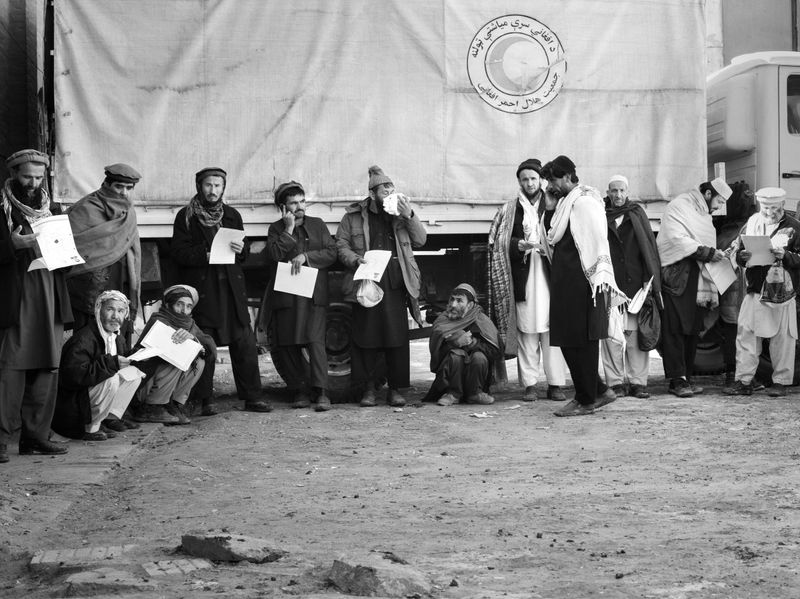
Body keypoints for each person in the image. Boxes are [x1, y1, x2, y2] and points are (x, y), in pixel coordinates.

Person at [170, 167, 271, 413]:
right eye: (208, 185)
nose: (213, 190)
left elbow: (243, 253)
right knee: (205, 346)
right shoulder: (186, 217)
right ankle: (205, 399)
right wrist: (204, 255)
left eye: (217, 186)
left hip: (231, 289)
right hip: (206, 289)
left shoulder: (232, 215)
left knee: (244, 343)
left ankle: (252, 396)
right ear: (199, 187)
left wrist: (240, 249)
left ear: (223, 188)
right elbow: (178, 253)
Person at [0, 149, 71, 462]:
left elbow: (65, 253)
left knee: (48, 364)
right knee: (10, 368)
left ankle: (36, 436)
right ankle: (1, 439)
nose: (32, 182)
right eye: (27, 176)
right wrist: (13, 245)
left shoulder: (51, 208)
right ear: (14, 174)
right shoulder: (1, 207)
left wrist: (67, 253)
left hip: (50, 292)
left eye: (39, 176)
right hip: (17, 295)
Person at [541, 155, 625, 417]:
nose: (550, 185)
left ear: (567, 176)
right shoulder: (565, 204)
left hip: (585, 284)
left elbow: (596, 244)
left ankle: (586, 398)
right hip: (565, 282)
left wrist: (594, 280)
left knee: (583, 341)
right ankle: (597, 390)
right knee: (567, 339)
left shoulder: (585, 202)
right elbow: (551, 238)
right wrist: (551, 207)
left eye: (553, 179)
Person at [336, 165, 426, 407]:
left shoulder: (400, 213)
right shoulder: (353, 217)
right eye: (385, 191)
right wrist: (355, 260)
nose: (390, 195)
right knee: (366, 336)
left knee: (396, 337)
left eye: (392, 190)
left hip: (395, 280)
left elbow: (420, 239)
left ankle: (396, 390)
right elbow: (341, 245)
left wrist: (409, 215)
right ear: (373, 193)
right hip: (367, 278)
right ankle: (368, 390)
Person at [488, 158, 567, 402]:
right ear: (519, 182)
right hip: (522, 279)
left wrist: (550, 246)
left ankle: (556, 384)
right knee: (526, 333)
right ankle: (530, 385)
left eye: (533, 178)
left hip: (550, 279)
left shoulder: (555, 203)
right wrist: (516, 245)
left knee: (553, 334)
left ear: (540, 180)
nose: (530, 183)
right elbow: (495, 242)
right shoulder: (510, 209)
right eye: (525, 179)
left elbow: (568, 235)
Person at [264, 181, 337, 411]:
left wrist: (307, 256)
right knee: (288, 342)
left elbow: (331, 253)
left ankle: (321, 392)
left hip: (314, 293)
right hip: (288, 293)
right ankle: (299, 391)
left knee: (315, 342)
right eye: (293, 203)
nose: (299, 206)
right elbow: (274, 254)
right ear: (283, 207)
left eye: (302, 201)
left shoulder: (318, 225)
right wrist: (288, 230)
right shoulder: (276, 229)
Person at [657, 177, 731, 397]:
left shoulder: (702, 213)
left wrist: (715, 254)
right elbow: (676, 239)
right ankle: (676, 382)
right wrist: (709, 253)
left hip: (697, 280)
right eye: (719, 201)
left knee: (691, 331)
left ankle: (686, 379)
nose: (718, 207)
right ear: (708, 194)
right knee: (675, 330)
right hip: (678, 279)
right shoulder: (680, 205)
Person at [723, 187, 800, 397]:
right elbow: (737, 252)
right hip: (755, 288)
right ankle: (743, 381)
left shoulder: (794, 227)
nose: (770, 212)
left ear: (783, 205)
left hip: (782, 292)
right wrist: (742, 257)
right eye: (766, 207)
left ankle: (781, 383)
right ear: (760, 205)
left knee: (783, 338)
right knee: (746, 334)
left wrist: (786, 255)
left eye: (774, 208)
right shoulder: (752, 223)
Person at [600, 175, 662, 399]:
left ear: (627, 192)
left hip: (636, 284)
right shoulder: (600, 214)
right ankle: (615, 382)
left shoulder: (636, 213)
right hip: (610, 283)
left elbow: (648, 247)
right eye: (614, 191)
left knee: (635, 336)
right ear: (607, 192)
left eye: (622, 191)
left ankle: (638, 382)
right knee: (611, 336)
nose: (618, 195)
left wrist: (648, 278)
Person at [53, 291, 143, 441]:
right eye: (110, 309)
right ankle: (90, 428)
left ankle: (108, 419)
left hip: (89, 397)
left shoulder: (116, 337)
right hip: (73, 405)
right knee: (111, 378)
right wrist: (112, 363)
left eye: (120, 311)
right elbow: (73, 377)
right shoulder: (84, 338)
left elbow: (118, 361)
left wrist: (137, 354)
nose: (115, 316)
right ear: (98, 311)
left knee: (133, 374)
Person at [67, 163, 142, 337]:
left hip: (121, 281)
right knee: (89, 337)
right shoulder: (85, 208)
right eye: (118, 186)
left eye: (128, 188)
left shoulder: (129, 212)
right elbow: (71, 246)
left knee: (119, 336)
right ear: (106, 185)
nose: (123, 193)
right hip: (89, 286)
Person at [132, 285, 215, 424]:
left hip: (164, 383)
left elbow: (209, 346)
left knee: (199, 362)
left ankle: (172, 404)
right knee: (175, 359)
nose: (184, 311)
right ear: (168, 304)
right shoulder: (158, 320)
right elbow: (171, 349)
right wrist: (192, 343)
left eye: (188, 306)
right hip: (144, 383)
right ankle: (152, 407)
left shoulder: (190, 324)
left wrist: (194, 340)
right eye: (179, 304)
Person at [424, 284, 502, 406]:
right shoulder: (442, 321)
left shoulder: (482, 320)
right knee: (456, 355)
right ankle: (453, 394)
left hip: (477, 377)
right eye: (452, 299)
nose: (453, 305)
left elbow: (495, 352)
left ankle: (475, 394)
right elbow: (436, 357)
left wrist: (473, 344)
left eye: (459, 301)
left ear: (470, 305)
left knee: (479, 357)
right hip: (450, 376)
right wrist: (455, 343)